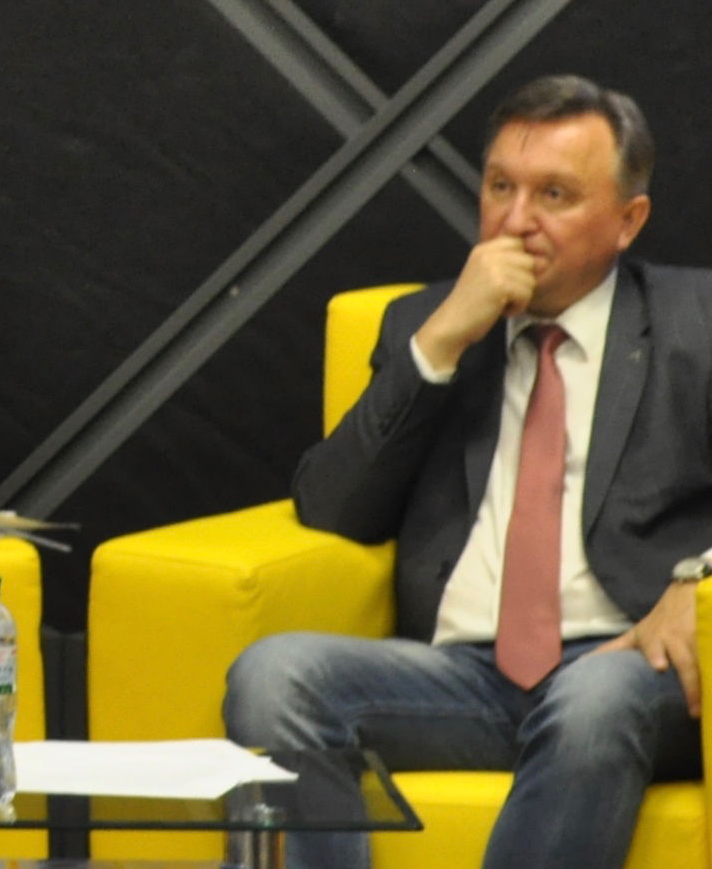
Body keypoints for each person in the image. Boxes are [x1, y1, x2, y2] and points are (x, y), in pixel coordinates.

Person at [225, 75, 712, 869]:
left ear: (627, 220)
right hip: (461, 677)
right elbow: (334, 508)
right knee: (273, 676)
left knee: (593, 698)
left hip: (629, 667)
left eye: (553, 194)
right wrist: (440, 344)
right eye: (498, 188)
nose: (515, 221)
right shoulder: (427, 324)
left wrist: (699, 577)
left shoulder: (696, 323)